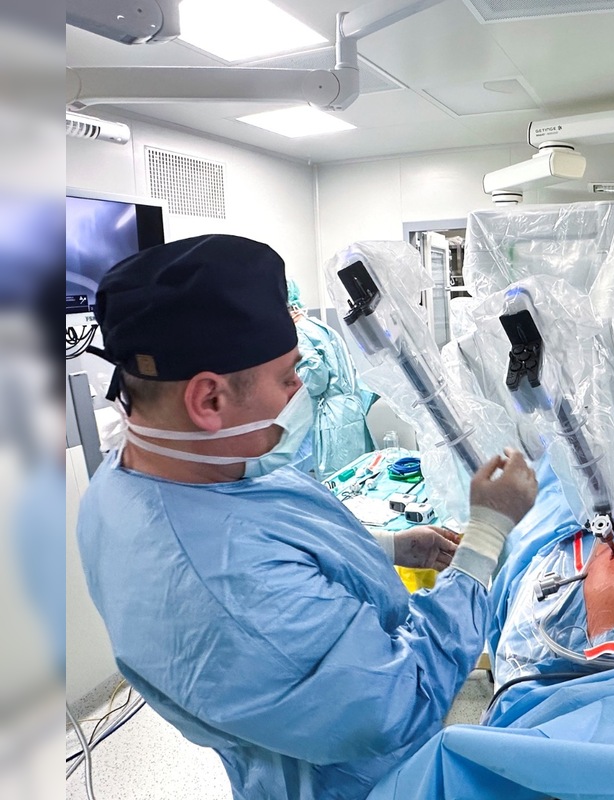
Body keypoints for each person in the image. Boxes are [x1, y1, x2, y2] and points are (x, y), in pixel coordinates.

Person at [76, 234, 539, 800]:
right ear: (209, 400)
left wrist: (387, 547)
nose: (300, 389)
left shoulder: (149, 477)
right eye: (287, 377)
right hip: (354, 779)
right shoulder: (224, 582)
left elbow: (275, 533)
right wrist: (486, 537)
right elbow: (398, 699)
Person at [285, 278, 375, 479]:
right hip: (350, 411)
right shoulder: (317, 326)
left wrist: (286, 390)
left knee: (337, 481)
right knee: (357, 476)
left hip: (332, 419)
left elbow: (315, 378)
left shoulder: (298, 333)